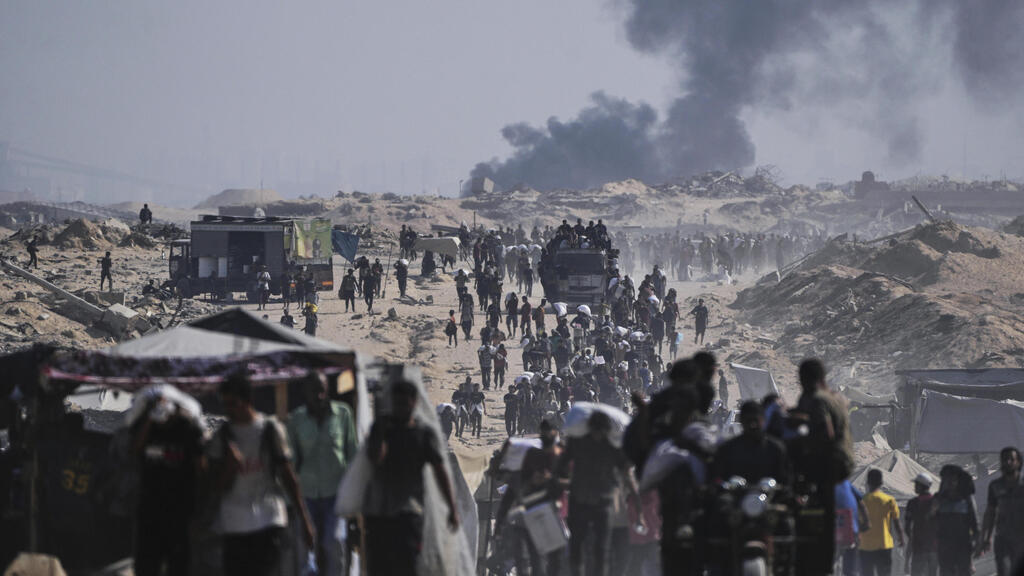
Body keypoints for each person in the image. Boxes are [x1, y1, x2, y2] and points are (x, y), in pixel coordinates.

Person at [207, 375, 315, 576]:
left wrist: (304, 520)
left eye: (234, 404)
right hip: (234, 524)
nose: (229, 410)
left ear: (248, 401)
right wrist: (230, 467)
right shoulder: (222, 438)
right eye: (225, 405)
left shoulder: (269, 430)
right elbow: (214, 487)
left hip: (268, 520)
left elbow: (288, 477)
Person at [363, 380, 459, 575]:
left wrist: (452, 507)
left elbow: (440, 470)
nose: (400, 409)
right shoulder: (381, 428)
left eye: (404, 404)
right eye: (397, 404)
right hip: (381, 511)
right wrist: (382, 431)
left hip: (410, 511)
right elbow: (375, 459)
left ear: (414, 402)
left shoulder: (423, 433)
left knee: (408, 565)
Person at [287, 374, 358, 576]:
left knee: (334, 543)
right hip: (306, 495)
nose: (319, 395)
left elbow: (352, 453)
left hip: (335, 494)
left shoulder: (343, 414)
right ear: (305, 393)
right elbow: (291, 462)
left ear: (327, 390)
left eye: (322, 390)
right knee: (305, 549)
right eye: (314, 390)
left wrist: (354, 495)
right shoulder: (297, 420)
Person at [790, 358, 854, 576]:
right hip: (841, 463)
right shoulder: (836, 397)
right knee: (824, 514)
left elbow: (824, 434)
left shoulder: (817, 400)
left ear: (807, 379)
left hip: (827, 462)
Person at [131, 389, 205, 576]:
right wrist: (149, 420)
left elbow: (200, 467)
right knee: (147, 566)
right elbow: (135, 450)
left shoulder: (187, 429)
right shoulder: (145, 427)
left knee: (178, 565)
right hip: (150, 510)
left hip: (179, 511)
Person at [557, 411, 641, 576]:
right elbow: (561, 467)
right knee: (578, 548)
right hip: (579, 502)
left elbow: (626, 470)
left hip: (603, 503)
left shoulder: (612, 447)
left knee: (602, 549)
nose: (598, 434)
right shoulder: (576, 444)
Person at [712, 401, 788, 485]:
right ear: (741, 421)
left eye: (755, 421)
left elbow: (785, 481)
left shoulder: (775, 449)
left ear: (763, 420)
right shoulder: (728, 449)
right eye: (748, 421)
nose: (752, 425)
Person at [977, 446, 1022, 576]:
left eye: (1011, 459)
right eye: (1005, 459)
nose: (1008, 462)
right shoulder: (995, 486)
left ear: (1018, 462)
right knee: (1003, 570)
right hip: (1003, 538)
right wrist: (986, 537)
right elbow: (990, 513)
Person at [859, 468, 905, 576]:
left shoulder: (862, 501)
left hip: (866, 545)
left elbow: (857, 523)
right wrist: (901, 537)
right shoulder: (889, 500)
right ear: (881, 483)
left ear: (868, 483)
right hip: (884, 544)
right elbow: (896, 522)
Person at [934, 465, 978, 576]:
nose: (949, 482)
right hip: (944, 546)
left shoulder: (966, 499)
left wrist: (978, 541)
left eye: (952, 479)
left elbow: (974, 521)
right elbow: (931, 521)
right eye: (946, 479)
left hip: (963, 545)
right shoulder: (938, 499)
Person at [836, 479, 871, 576]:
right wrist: (866, 522)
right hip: (851, 530)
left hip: (838, 530)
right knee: (850, 568)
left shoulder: (825, 485)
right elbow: (861, 504)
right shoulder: (846, 484)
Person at [905, 474, 938, 576]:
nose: (914, 487)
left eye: (916, 484)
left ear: (921, 486)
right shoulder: (937, 502)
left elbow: (907, 528)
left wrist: (911, 546)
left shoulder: (913, 503)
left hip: (919, 549)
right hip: (935, 549)